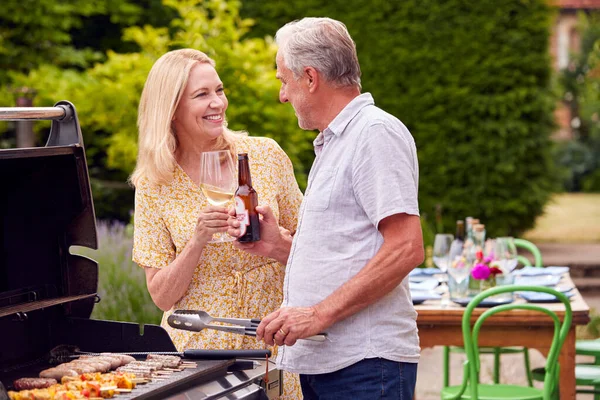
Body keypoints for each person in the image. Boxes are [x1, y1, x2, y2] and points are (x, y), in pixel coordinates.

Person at [228, 18, 424, 399]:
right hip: (334, 364)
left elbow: (406, 247)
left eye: (284, 81)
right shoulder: (336, 141)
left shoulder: (374, 133)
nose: (283, 96)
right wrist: (277, 245)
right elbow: (347, 251)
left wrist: (316, 315)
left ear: (311, 78)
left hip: (367, 367)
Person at [130, 48, 304, 398]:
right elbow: (162, 297)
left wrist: (275, 240)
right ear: (172, 109)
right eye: (202, 95)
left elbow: (312, 247)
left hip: (271, 347)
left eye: (219, 90)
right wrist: (197, 240)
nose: (218, 103)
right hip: (197, 358)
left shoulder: (265, 156)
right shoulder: (155, 182)